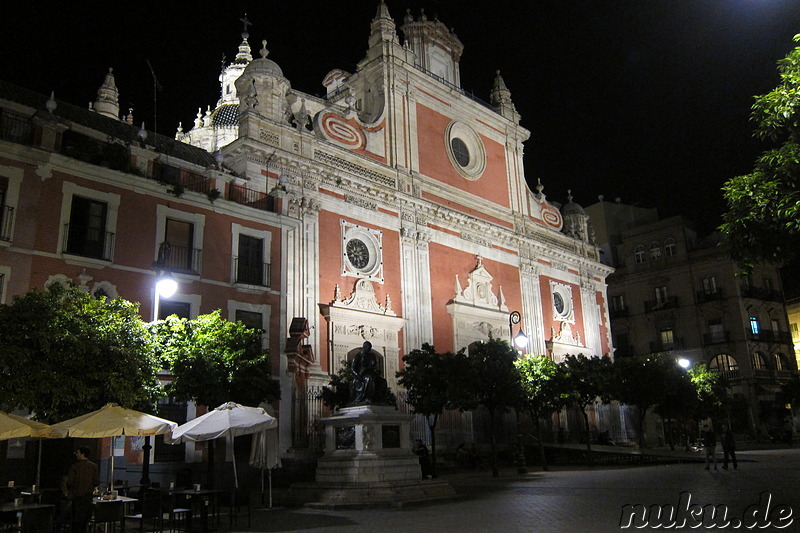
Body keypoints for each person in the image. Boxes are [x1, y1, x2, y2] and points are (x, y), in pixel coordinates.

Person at [64, 446, 99, 533]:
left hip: (77, 497)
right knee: (85, 520)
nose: (76, 454)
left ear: (82, 454)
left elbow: (70, 482)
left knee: (76, 521)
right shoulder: (94, 466)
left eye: (78, 452)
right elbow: (96, 482)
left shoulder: (75, 467)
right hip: (88, 497)